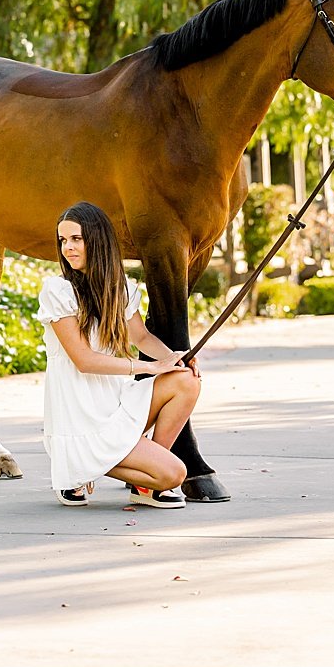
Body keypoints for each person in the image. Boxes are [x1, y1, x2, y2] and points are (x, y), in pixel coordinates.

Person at [38, 201, 203, 508]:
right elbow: (84, 361)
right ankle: (75, 465)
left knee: (186, 380)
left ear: (97, 240)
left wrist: (175, 359)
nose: (68, 249)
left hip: (117, 405)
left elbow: (140, 335)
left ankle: (142, 483)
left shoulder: (120, 288)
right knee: (175, 473)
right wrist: (148, 367)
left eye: (76, 239)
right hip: (82, 417)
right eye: (63, 241)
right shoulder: (58, 292)